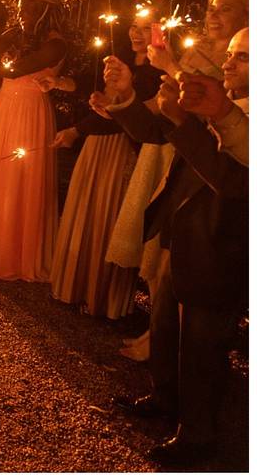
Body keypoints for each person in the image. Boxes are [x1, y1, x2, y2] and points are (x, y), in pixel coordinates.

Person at [102, 34, 248, 467]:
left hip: (221, 239)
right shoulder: (223, 98)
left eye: (241, 58)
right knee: (165, 323)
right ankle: (165, 396)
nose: (228, 64)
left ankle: (198, 436)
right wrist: (127, 94)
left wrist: (187, 122)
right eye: (229, 55)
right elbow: (156, 132)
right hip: (181, 227)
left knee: (203, 341)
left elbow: (236, 184)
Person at [47, 9, 164, 319]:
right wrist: (60, 81)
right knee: (85, 215)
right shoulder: (120, 58)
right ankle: (76, 286)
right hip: (95, 149)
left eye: (146, 28)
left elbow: (128, 121)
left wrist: (78, 129)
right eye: (134, 27)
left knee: (108, 220)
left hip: (124, 152)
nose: (137, 34)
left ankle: (105, 300)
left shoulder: (159, 74)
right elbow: (90, 87)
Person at [0, 0, 68, 282]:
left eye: (29, 9)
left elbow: (16, 69)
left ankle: (22, 254)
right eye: (20, 9)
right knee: (3, 173)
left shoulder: (55, 44)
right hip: (6, 105)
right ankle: (0, 246)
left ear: (45, 12)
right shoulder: (21, 34)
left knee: (22, 177)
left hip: (29, 110)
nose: (23, 15)